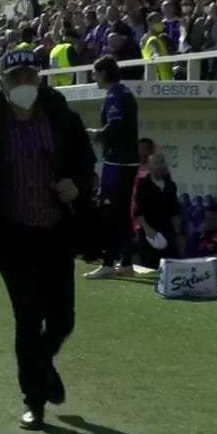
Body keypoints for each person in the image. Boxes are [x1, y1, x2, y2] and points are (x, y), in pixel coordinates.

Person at [0, 49, 96, 430]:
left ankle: (41, 363)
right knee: (28, 317)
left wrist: (76, 185)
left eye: (30, 76)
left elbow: (86, 164)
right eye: (15, 78)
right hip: (12, 234)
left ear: (40, 78)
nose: (24, 85)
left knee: (63, 318)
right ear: (2, 83)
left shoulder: (60, 116)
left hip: (55, 230)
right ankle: (33, 400)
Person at [85, 55, 140, 279]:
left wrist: (96, 134)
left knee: (109, 211)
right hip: (128, 161)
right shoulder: (125, 92)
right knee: (121, 213)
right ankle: (125, 262)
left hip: (117, 162)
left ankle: (108, 262)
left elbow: (116, 125)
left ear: (104, 73)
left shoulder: (114, 95)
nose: (93, 77)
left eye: (96, 73)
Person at [133, 152, 181, 265]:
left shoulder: (170, 186)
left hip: (167, 230)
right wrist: (146, 228)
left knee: (171, 264)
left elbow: (175, 211)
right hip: (150, 232)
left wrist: (178, 233)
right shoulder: (143, 185)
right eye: (157, 163)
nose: (161, 166)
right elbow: (138, 211)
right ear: (150, 166)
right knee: (151, 265)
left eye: (162, 162)